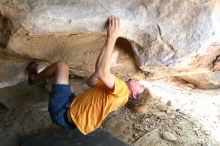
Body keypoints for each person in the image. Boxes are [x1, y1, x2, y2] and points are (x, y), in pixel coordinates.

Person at [26, 16, 145, 135]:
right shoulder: (118, 96)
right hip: (70, 111)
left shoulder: (123, 91)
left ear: (134, 95)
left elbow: (101, 72)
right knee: (68, 84)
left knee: (61, 66)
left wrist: (112, 37)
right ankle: (47, 80)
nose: (138, 81)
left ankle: (33, 78)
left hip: (62, 111)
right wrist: (108, 64)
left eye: (141, 86)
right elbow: (92, 81)